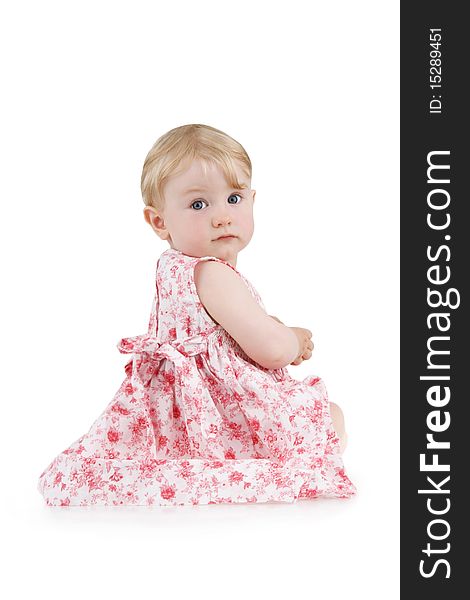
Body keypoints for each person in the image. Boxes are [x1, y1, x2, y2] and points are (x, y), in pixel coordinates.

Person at [37, 124, 356, 506]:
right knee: (328, 418)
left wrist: (272, 327)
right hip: (217, 409)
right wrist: (293, 338)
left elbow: (228, 331)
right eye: (199, 205)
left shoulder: (170, 267)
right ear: (159, 221)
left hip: (175, 413)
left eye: (234, 198)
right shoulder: (212, 273)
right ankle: (268, 462)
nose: (221, 216)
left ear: (253, 200)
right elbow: (269, 350)